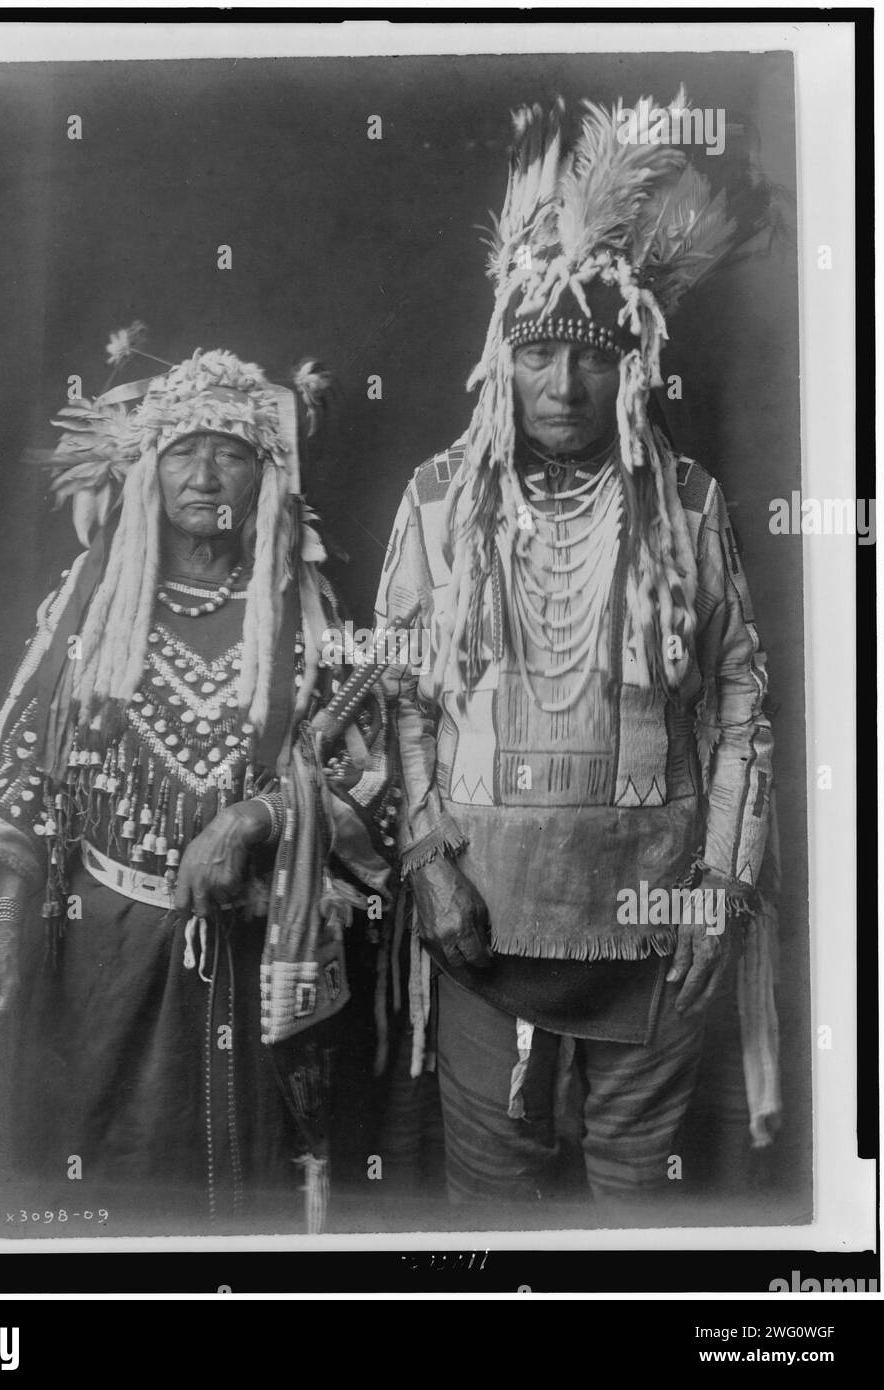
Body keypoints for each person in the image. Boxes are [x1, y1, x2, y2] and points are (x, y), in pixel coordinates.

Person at [376, 92, 781, 1220]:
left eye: (592, 359)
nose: (563, 386)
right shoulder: (439, 501)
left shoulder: (689, 507)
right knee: (490, 1194)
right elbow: (404, 700)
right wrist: (426, 862)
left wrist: (718, 885)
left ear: (633, 371)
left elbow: (741, 704)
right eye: (539, 354)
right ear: (499, 361)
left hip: (655, 918)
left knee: (630, 1198)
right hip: (481, 911)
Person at [0, 332, 397, 1233]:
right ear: (146, 473)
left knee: (242, 1191)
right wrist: (4, 932)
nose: (205, 476)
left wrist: (255, 817)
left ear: (263, 479)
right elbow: (19, 775)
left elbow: (365, 783)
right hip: (102, 951)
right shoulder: (93, 597)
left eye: (230, 455)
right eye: (183, 453)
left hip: (249, 951)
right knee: (102, 1171)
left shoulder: (303, 611)